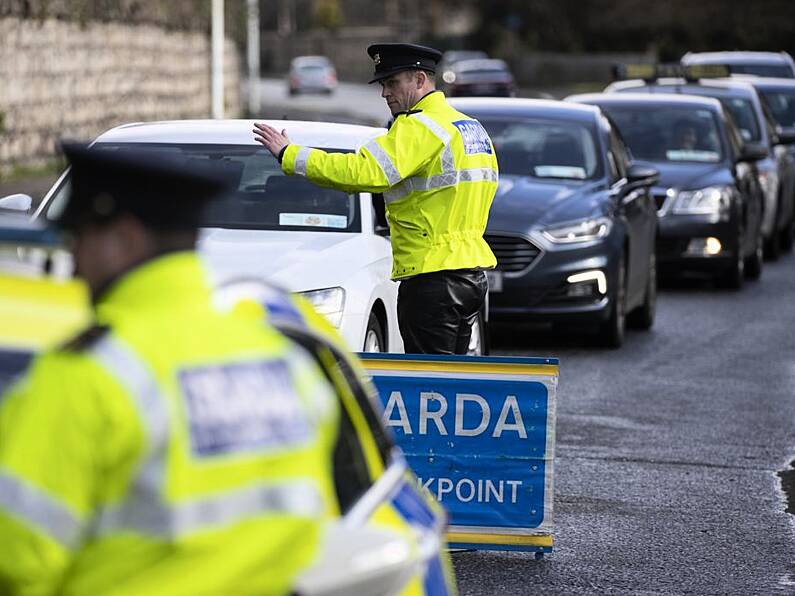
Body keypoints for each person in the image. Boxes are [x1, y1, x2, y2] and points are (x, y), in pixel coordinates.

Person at [0, 145, 340, 595]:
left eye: (77, 239)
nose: (73, 264)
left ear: (124, 238)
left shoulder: (89, 377)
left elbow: (18, 561)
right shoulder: (284, 360)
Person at [253, 43, 498, 355]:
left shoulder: (418, 126)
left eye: (393, 83)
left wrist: (292, 155)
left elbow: (363, 172)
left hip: (432, 279)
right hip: (471, 275)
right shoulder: (469, 128)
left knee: (428, 390)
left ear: (420, 79)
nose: (385, 93)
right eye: (384, 84)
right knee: (454, 385)